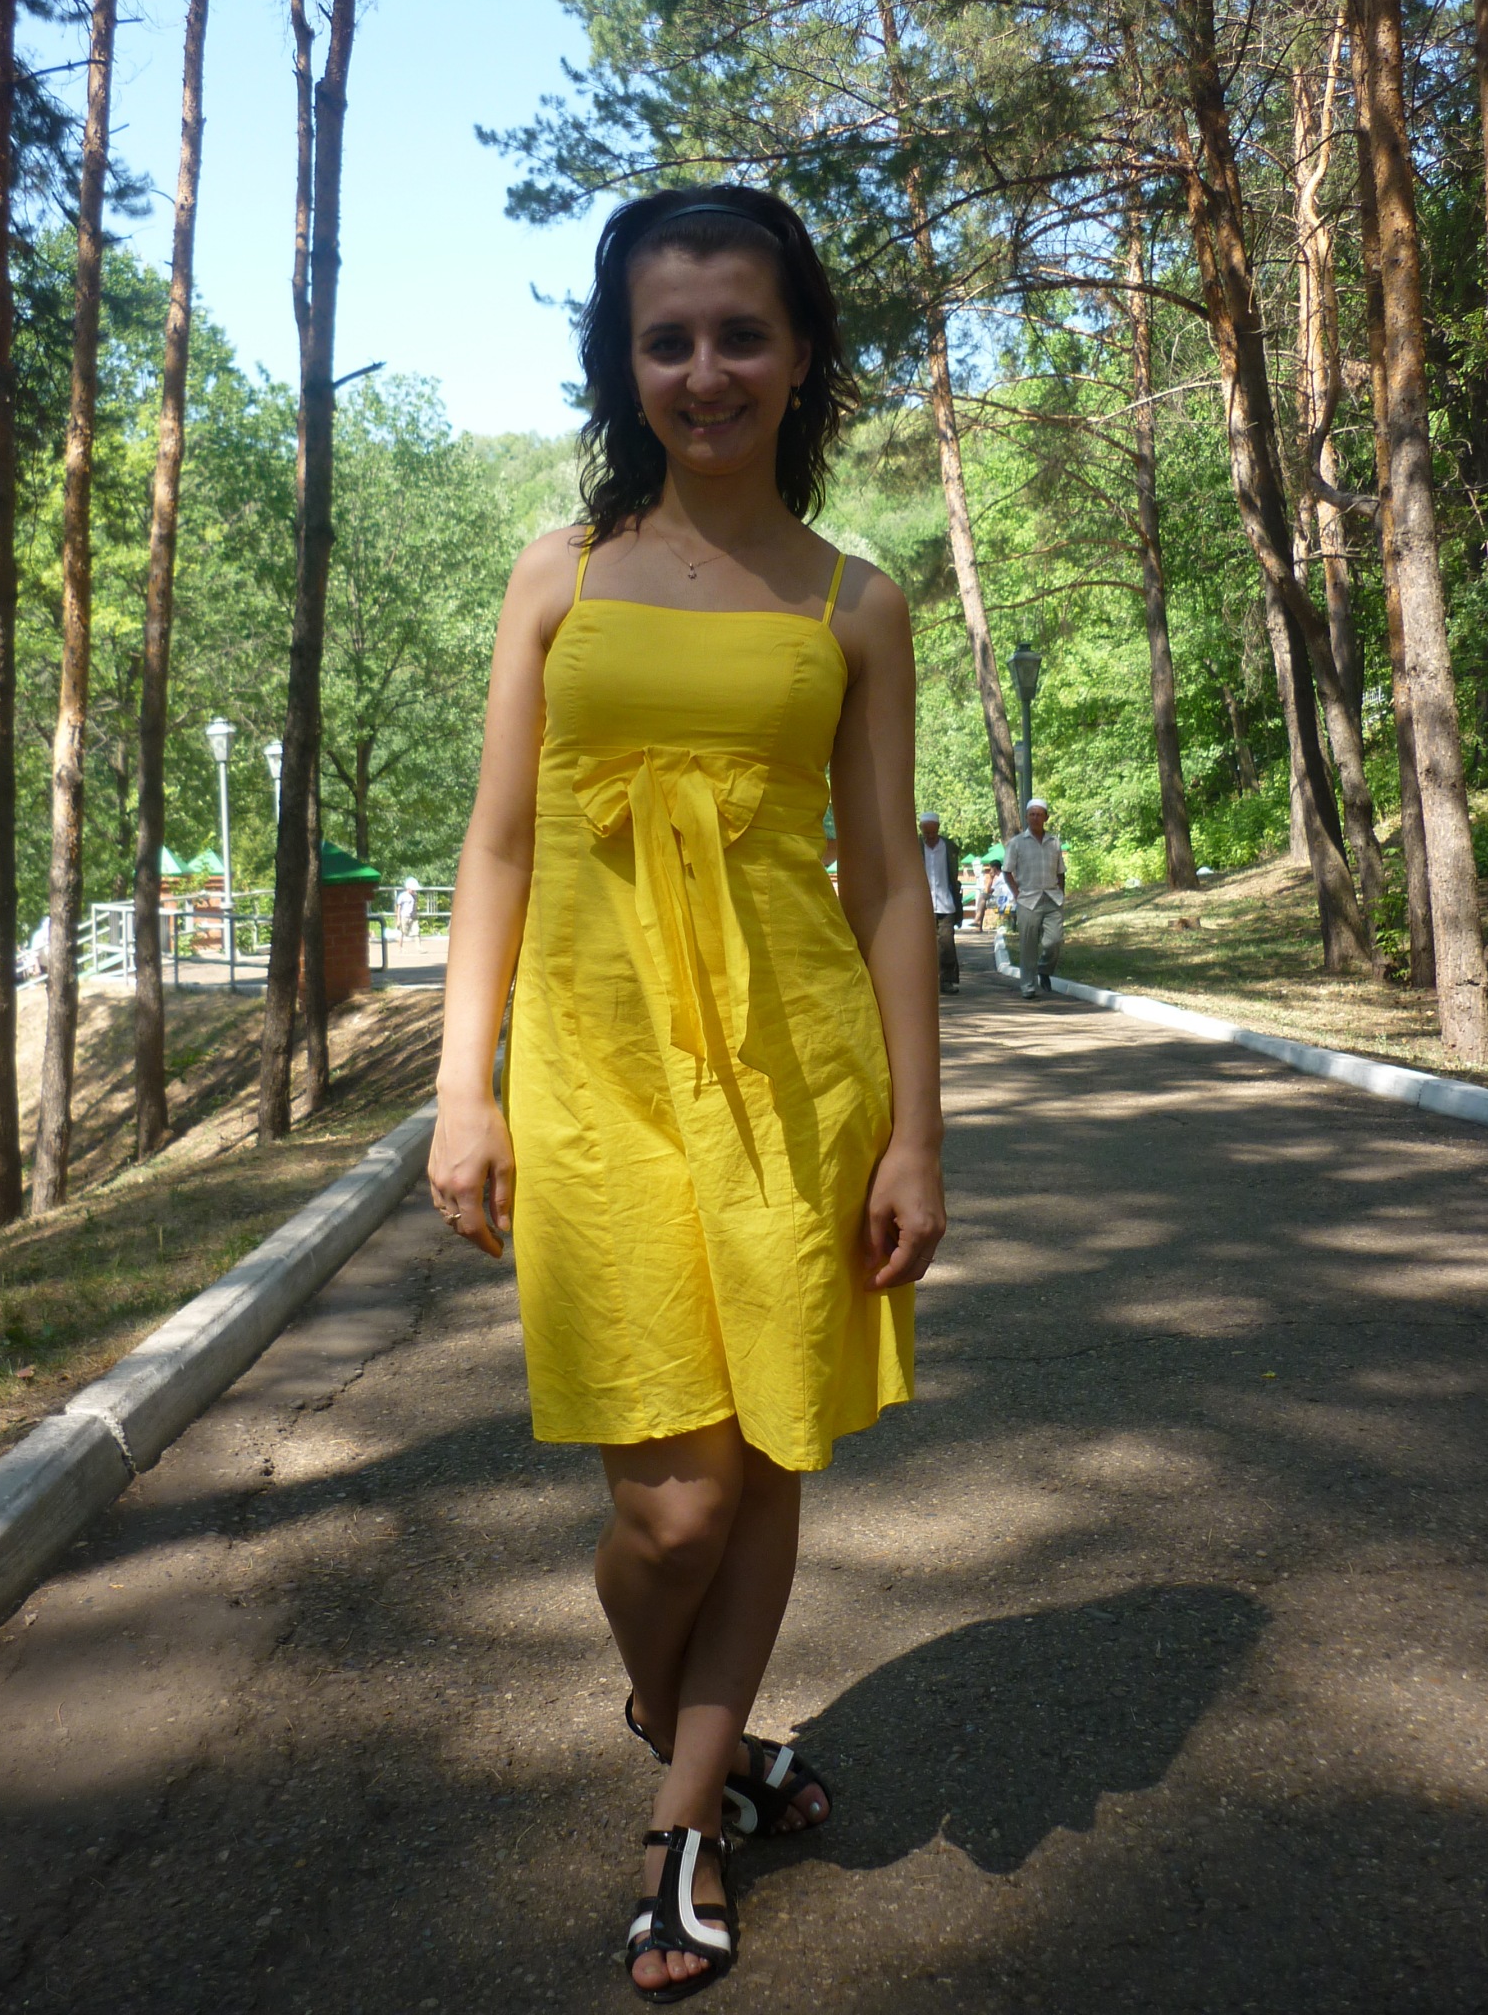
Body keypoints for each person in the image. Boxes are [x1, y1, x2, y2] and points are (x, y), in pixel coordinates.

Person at [427, 185, 946, 2004]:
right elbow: (498, 847)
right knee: (671, 1511)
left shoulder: (856, 599)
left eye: (742, 335)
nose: (706, 371)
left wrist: (915, 1129)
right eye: (669, 340)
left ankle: (683, 1825)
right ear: (623, 362)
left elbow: (888, 885)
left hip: (798, 1083)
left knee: (764, 1456)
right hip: (599, 1084)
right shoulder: (557, 575)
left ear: (800, 358)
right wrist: (465, 1089)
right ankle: (690, 1727)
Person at [1004, 796, 1066, 999]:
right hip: (1028, 899)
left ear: (1046, 817)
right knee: (1028, 946)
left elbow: (1061, 871)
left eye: (1039, 815)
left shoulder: (1054, 842)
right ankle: (1028, 986)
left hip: (1052, 898)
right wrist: (1017, 893)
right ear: (1026, 817)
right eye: (1032, 814)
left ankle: (1044, 969)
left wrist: (1061, 892)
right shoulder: (1016, 843)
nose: (1035, 818)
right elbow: (1007, 871)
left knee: (1054, 941)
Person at [918, 812, 962, 995]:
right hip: (922, 905)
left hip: (946, 903)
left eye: (933, 833)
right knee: (923, 945)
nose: (929, 836)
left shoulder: (949, 848)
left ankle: (947, 980)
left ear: (938, 829)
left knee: (946, 943)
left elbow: (953, 875)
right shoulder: (915, 847)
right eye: (926, 833)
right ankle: (924, 982)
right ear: (921, 830)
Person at [973, 851, 1008, 933]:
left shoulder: (1000, 878)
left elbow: (988, 891)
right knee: (983, 900)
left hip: (1002, 901)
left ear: (994, 868)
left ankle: (977, 922)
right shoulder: (1002, 876)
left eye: (991, 868)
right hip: (1002, 899)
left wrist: (991, 878)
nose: (990, 870)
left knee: (982, 897)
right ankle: (978, 924)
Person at [394, 877, 422, 949]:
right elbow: (399, 908)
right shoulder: (403, 896)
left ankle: (419, 947)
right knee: (402, 932)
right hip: (404, 917)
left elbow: (415, 905)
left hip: (413, 917)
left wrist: (416, 911)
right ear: (408, 888)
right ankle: (400, 947)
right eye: (412, 889)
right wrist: (398, 919)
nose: (414, 891)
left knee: (417, 931)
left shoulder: (415, 896)